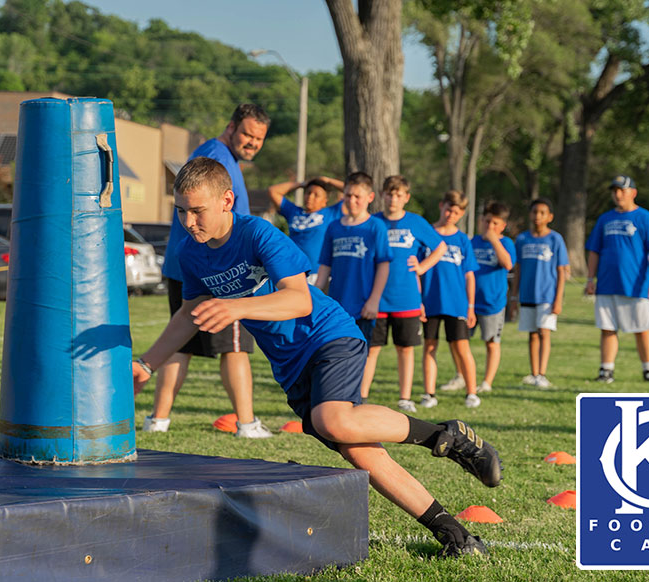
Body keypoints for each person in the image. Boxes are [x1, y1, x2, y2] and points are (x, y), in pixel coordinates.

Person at [132, 157, 502, 557]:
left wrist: (236, 308)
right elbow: (189, 314)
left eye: (197, 211)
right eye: (181, 211)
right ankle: (456, 536)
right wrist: (147, 363)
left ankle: (447, 436)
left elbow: (298, 298)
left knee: (334, 420)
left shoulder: (257, 233)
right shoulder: (192, 254)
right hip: (291, 366)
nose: (188, 222)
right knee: (357, 448)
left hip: (327, 335)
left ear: (226, 200)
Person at [147, 104, 272, 438]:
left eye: (258, 138)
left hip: (186, 262)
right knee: (235, 345)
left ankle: (157, 420)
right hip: (213, 266)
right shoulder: (216, 156)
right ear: (231, 127)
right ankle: (247, 424)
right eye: (247, 133)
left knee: (181, 341)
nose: (252, 143)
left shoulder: (218, 156)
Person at [370, 175, 448, 412]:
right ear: (382, 195)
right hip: (377, 299)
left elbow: (440, 247)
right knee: (370, 349)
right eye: (389, 193)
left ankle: (405, 397)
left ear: (406, 198)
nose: (393, 198)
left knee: (405, 349)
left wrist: (423, 266)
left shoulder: (416, 222)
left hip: (407, 299)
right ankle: (360, 397)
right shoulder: (373, 222)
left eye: (399, 194)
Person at [315, 172, 392, 404]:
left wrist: (374, 300)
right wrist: (317, 296)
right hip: (338, 305)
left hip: (363, 305)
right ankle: (338, 396)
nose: (352, 200)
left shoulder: (375, 227)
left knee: (362, 354)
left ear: (369, 197)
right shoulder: (334, 228)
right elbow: (325, 267)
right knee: (335, 351)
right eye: (348, 195)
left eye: (358, 196)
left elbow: (383, 265)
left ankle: (360, 398)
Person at [584, 175, 649, 383]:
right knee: (608, 328)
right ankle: (606, 370)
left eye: (622, 190)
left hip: (635, 285)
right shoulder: (605, 219)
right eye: (615, 190)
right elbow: (594, 250)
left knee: (641, 329)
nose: (618, 194)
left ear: (633, 193)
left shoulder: (644, 218)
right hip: (607, 283)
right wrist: (590, 279)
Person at [420, 190, 481, 408]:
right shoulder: (427, 233)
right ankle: (429, 393)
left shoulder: (463, 239)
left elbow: (469, 275)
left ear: (462, 214)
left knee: (462, 347)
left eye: (456, 212)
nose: (450, 215)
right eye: (448, 209)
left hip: (456, 303)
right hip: (430, 301)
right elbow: (416, 270)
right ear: (441, 206)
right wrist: (419, 300)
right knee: (429, 346)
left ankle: (471, 392)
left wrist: (471, 306)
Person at [514, 198, 568, 389]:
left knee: (544, 332)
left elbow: (562, 271)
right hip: (527, 294)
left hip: (547, 295)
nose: (538, 216)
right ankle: (534, 372)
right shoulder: (522, 239)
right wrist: (514, 296)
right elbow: (518, 268)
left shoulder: (555, 239)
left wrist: (558, 299)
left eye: (542, 212)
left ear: (550, 217)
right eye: (535, 212)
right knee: (532, 334)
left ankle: (543, 374)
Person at [470, 201, 516, 393]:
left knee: (491, 342)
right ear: (481, 220)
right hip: (471, 303)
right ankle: (462, 376)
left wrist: (494, 240)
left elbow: (508, 264)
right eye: (487, 221)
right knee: (460, 343)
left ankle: (487, 382)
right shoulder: (473, 242)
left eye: (495, 223)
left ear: (502, 226)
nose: (490, 226)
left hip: (492, 303)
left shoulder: (506, 243)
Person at [267, 176, 345, 283]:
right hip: (295, 273)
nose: (310, 197)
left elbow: (351, 191)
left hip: (318, 275)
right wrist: (302, 184)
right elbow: (273, 191)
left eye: (316, 195)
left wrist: (328, 180)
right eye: (308, 193)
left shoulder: (331, 213)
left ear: (325, 201)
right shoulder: (294, 212)